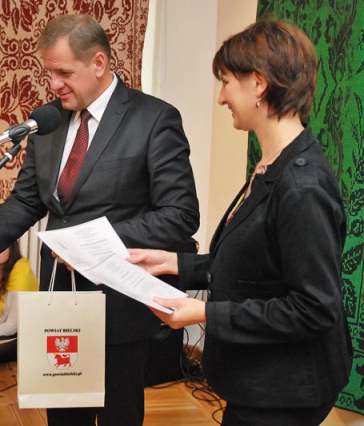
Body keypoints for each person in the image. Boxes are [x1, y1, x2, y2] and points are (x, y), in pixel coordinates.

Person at [0, 14, 199, 425]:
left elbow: (180, 216)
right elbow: (28, 199)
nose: (54, 85)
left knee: (117, 416)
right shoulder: (47, 123)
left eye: (63, 72)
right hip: (60, 301)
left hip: (119, 304)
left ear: (100, 64)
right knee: (64, 416)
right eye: (48, 72)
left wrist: (92, 242)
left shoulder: (154, 119)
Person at [127, 19, 353, 426]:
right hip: (259, 382)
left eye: (226, 82)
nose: (221, 98)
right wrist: (173, 263)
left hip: (283, 393)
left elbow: (314, 309)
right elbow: (254, 265)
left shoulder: (302, 185)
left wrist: (204, 314)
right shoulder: (272, 167)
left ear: (259, 84)